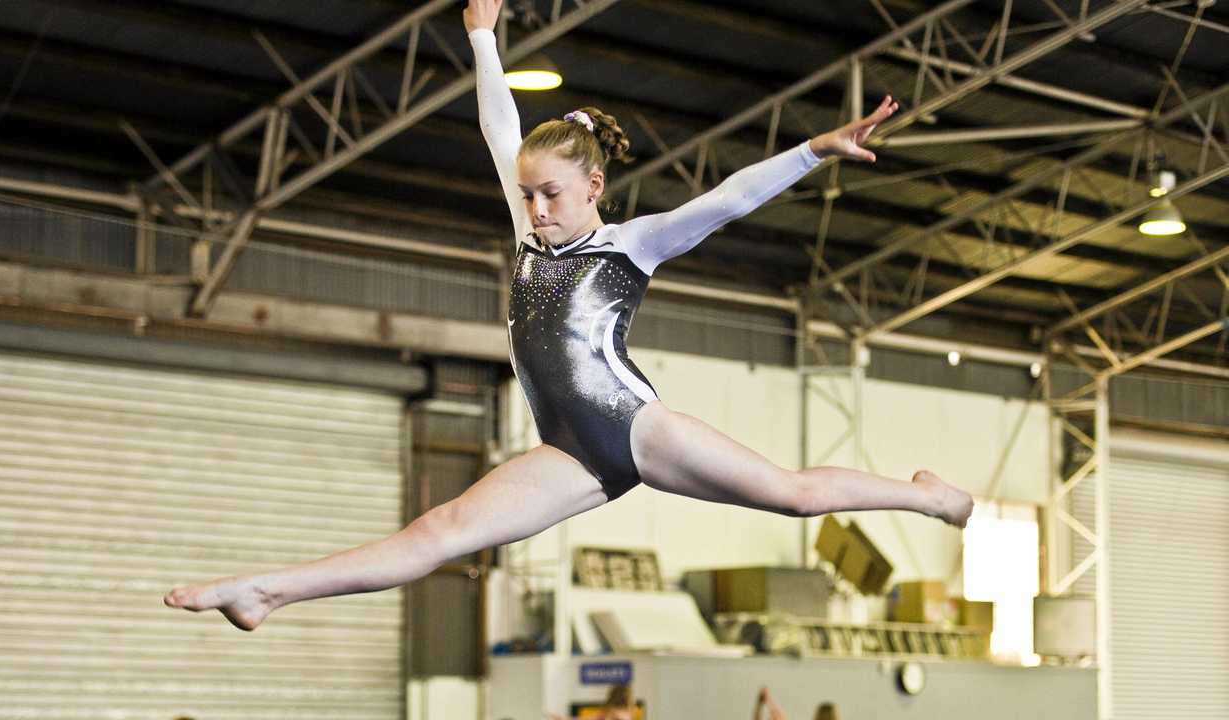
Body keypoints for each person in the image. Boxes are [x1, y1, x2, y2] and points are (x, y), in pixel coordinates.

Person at [162, 0, 974, 632]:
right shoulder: (529, 237)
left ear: (593, 187)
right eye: (528, 195)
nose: (537, 208)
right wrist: (484, 38)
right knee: (440, 531)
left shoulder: (632, 245)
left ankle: (933, 497)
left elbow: (726, 201)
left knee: (793, 497)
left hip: (633, 425)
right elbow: (498, 127)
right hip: (567, 451)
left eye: (552, 194)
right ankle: (266, 591)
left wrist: (815, 151)